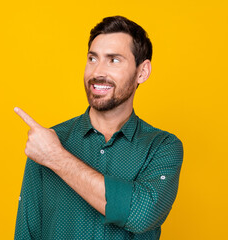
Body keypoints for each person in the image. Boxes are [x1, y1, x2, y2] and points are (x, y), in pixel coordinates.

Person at [13, 16, 183, 240]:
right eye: (93, 59)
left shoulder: (162, 146)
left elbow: (141, 214)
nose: (97, 72)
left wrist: (56, 158)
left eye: (114, 60)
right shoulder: (47, 141)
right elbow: (27, 233)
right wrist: (49, 153)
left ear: (142, 72)